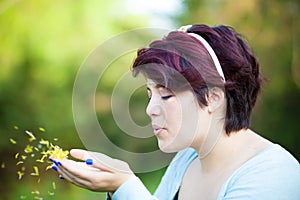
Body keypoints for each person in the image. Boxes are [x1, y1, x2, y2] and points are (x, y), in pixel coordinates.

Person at [52, 24, 300, 199]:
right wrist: (116, 185)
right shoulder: (187, 159)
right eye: (150, 95)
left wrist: (126, 186)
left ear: (213, 97)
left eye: (166, 94)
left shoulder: (274, 175)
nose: (151, 110)